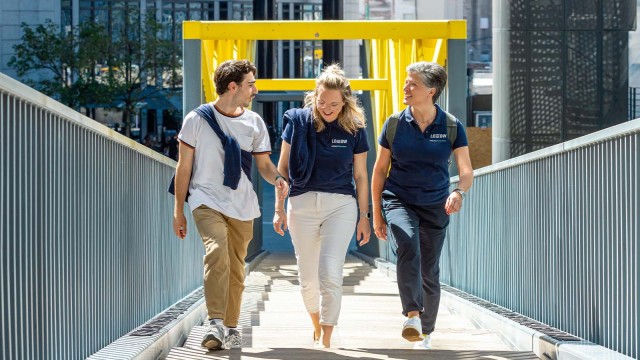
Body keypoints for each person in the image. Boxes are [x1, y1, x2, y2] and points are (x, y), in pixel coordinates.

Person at [172, 59, 288, 350]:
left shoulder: (254, 122)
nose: (255, 90)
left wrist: (277, 179)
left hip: (241, 204)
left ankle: (232, 326)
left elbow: (263, 164)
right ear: (233, 86)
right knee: (217, 252)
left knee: (237, 267)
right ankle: (214, 322)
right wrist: (178, 211)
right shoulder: (196, 120)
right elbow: (183, 168)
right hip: (205, 199)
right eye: (250, 84)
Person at [371, 61, 473, 350]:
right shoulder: (394, 124)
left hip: (435, 204)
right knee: (407, 243)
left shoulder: (452, 126)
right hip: (399, 199)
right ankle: (412, 316)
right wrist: (376, 213)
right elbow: (379, 171)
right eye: (406, 82)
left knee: (429, 270)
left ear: (431, 91)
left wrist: (459, 193)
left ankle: (425, 332)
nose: (405, 87)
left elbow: (466, 170)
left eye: (412, 83)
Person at [273, 64, 371, 348]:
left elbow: (361, 175)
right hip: (301, 204)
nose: (328, 108)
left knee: (330, 270)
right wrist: (279, 209)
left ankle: (327, 339)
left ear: (346, 102)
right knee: (307, 278)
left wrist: (364, 216)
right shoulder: (298, 122)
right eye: (322, 102)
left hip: (340, 205)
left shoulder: (354, 128)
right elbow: (282, 168)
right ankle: (316, 324)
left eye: (335, 104)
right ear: (314, 97)